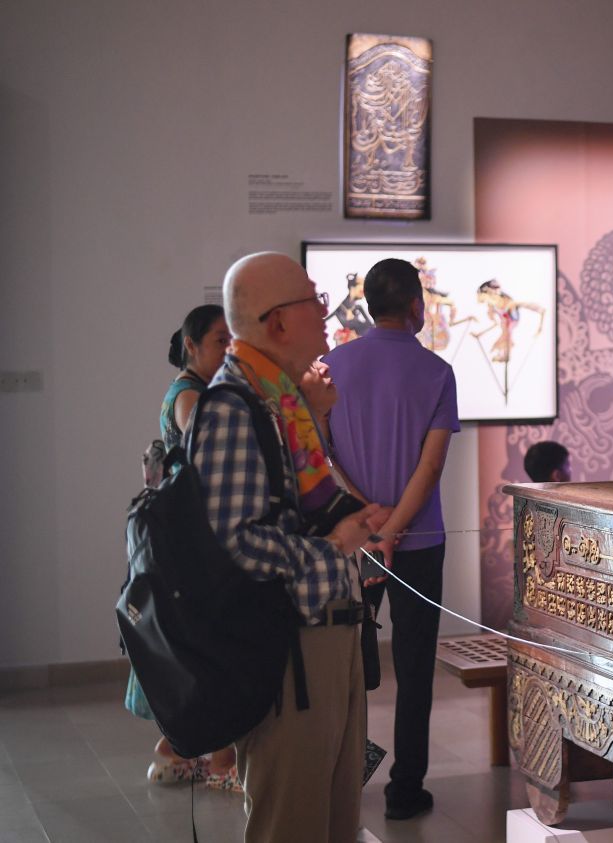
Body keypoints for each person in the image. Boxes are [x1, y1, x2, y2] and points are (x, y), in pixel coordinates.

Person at [193, 252, 385, 842]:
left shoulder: (280, 399)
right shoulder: (233, 408)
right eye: (314, 302)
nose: (327, 314)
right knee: (292, 823)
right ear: (277, 323)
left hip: (329, 634)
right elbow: (234, 542)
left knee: (332, 818)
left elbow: (304, 503)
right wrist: (335, 546)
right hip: (289, 650)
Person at [323, 257, 460, 821]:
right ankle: (405, 790)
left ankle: (338, 785)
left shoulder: (329, 366)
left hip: (350, 538)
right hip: (419, 541)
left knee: (340, 666)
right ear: (414, 306)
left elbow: (323, 458)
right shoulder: (436, 372)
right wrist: (396, 529)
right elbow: (429, 470)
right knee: (414, 666)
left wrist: (368, 521)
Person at [133, 304, 242, 791]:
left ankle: (194, 752)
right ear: (192, 345)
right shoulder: (191, 395)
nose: (228, 349)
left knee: (213, 651)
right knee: (216, 651)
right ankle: (210, 758)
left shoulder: (194, 389)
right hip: (200, 543)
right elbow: (211, 455)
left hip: (197, 539)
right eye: (220, 341)